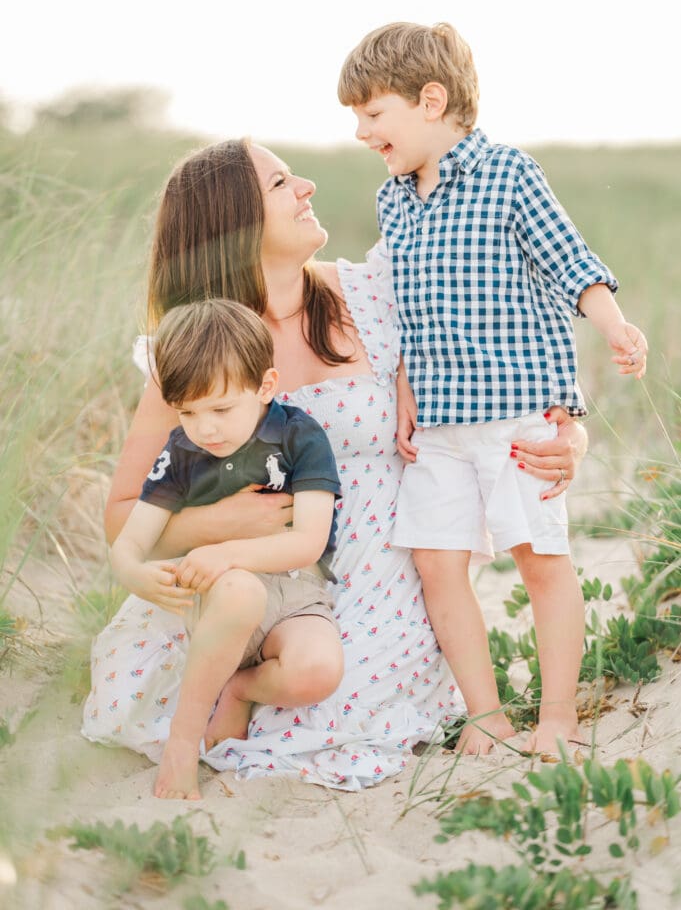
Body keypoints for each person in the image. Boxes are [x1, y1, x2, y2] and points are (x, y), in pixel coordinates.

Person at [82, 138, 586, 789]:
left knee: (340, 689)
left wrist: (567, 431)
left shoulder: (377, 293)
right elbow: (122, 516)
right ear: (233, 222)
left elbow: (507, 340)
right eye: (281, 184)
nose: (307, 187)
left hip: (384, 582)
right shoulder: (196, 349)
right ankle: (229, 688)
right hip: (254, 578)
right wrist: (216, 524)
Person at [338, 20, 648, 756]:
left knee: (539, 562)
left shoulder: (509, 173)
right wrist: (405, 386)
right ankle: (484, 716)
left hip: (516, 412)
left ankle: (556, 719)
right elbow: (400, 307)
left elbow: (571, 261)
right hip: (439, 425)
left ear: (431, 100)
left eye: (371, 114)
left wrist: (614, 326)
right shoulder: (394, 201)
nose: (359, 132)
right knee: (437, 565)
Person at [110, 298, 343, 798]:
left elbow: (307, 543)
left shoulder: (299, 435)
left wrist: (227, 551)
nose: (205, 427)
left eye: (220, 408)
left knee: (318, 671)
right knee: (240, 593)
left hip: (297, 594)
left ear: (265, 386)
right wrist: (131, 571)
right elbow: (132, 540)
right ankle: (182, 743)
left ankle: (241, 688)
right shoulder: (183, 450)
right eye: (188, 411)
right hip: (222, 596)